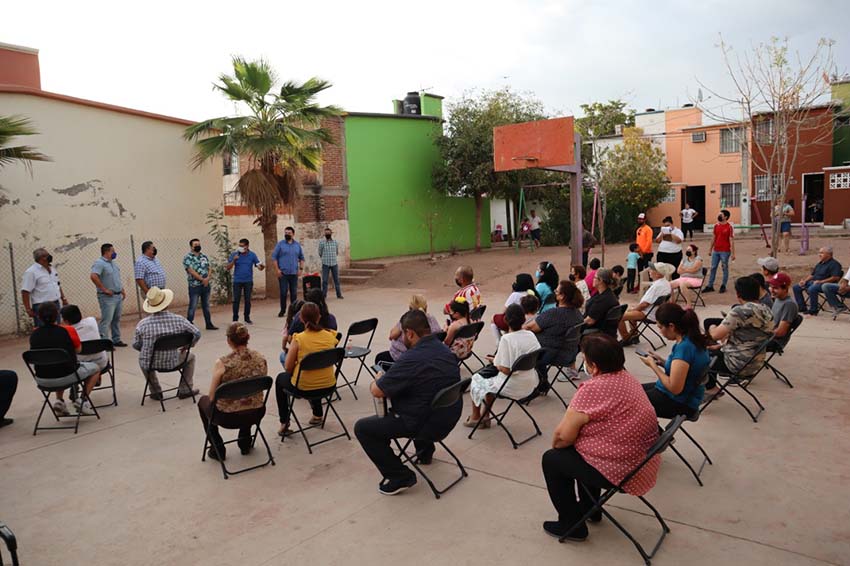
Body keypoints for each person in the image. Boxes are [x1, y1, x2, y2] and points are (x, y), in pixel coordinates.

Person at [541, 333, 660, 541]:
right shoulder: (628, 378)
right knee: (582, 448)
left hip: (620, 469)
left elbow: (562, 437)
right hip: (641, 463)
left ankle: (572, 525)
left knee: (553, 459)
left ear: (594, 366)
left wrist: (560, 446)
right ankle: (591, 509)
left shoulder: (593, 389)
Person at [355, 310, 462, 495]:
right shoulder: (445, 350)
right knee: (422, 394)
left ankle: (400, 476)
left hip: (425, 424)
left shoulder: (411, 359)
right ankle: (425, 453)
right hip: (449, 415)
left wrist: (378, 379)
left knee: (363, 428)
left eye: (403, 334)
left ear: (410, 333)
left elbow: (377, 391)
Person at [198, 322, 268, 461]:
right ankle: (245, 442)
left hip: (227, 417)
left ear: (229, 340)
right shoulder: (260, 358)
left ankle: (218, 448)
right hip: (256, 412)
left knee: (202, 402)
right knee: (248, 397)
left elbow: (212, 396)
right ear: (248, 337)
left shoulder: (223, 363)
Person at [465, 304, 540, 427]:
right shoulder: (530, 335)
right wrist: (498, 361)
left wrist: (496, 362)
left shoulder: (507, 339)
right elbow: (527, 358)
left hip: (512, 385)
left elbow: (505, 369)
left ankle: (475, 417)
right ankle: (485, 416)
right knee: (490, 379)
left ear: (505, 320)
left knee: (476, 379)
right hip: (530, 382)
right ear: (523, 319)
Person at [275, 302, 339, 436]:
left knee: (280, 379)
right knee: (315, 370)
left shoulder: (298, 339)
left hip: (304, 387)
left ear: (301, 318)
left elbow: (288, 367)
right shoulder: (331, 336)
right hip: (329, 385)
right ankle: (317, 414)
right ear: (319, 317)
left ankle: (284, 422)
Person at [704, 276, 774, 395]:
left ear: (738, 294)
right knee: (711, 350)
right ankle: (710, 387)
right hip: (755, 362)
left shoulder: (740, 311)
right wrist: (721, 347)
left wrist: (711, 327)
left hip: (738, 364)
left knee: (699, 354)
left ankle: (710, 388)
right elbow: (748, 338)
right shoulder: (766, 309)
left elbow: (715, 335)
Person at [637, 303, 710, 418]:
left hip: (679, 402)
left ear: (671, 326)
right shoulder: (692, 339)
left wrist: (652, 365)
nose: (660, 332)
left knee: (629, 402)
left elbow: (675, 388)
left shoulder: (684, 348)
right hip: (682, 395)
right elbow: (684, 369)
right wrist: (662, 361)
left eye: (660, 327)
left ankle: (649, 429)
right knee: (632, 390)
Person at [29, 301, 101, 416]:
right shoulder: (68, 330)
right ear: (57, 315)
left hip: (42, 379)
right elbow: (78, 350)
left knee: (55, 364)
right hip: (67, 376)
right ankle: (83, 400)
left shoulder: (34, 334)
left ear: (39, 317)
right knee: (96, 369)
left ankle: (59, 401)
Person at [133, 287, 201, 400]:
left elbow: (136, 344)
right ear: (167, 303)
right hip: (173, 361)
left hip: (151, 363)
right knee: (191, 357)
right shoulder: (179, 320)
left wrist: (148, 348)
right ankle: (185, 389)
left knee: (142, 359)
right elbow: (197, 333)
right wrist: (188, 345)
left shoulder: (142, 324)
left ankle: (155, 391)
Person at [524, 280, 585, 396]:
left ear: (562, 296)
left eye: (557, 291)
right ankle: (542, 383)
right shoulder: (577, 314)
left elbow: (530, 327)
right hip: (570, 354)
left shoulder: (554, 313)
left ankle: (538, 383)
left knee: (523, 345)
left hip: (550, 354)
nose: (555, 292)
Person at [376, 294, 442, 368]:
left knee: (379, 358)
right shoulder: (431, 319)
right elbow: (439, 334)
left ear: (410, 308)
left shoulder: (407, 321)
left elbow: (392, 336)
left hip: (403, 358)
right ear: (426, 307)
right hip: (427, 357)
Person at [618, 262, 674, 346]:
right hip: (656, 312)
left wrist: (634, 309)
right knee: (630, 311)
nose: (649, 271)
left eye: (652, 270)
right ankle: (634, 335)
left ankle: (626, 338)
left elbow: (644, 304)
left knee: (619, 316)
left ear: (658, 274)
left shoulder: (656, 286)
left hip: (648, 313)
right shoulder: (666, 283)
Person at [90, 243, 127, 346]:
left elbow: (116, 278)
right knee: (106, 320)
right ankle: (104, 342)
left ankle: (116, 339)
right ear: (106, 252)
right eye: (113, 251)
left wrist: (122, 290)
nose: (115, 253)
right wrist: (104, 289)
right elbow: (93, 276)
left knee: (116, 319)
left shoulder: (113, 263)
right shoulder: (99, 263)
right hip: (107, 297)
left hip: (117, 295)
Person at [21, 247, 67, 328]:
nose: (49, 256)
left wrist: (63, 299)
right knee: (43, 329)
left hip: (55, 304)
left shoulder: (52, 269)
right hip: (41, 306)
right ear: (40, 258)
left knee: (57, 327)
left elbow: (57, 284)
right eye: (46, 255)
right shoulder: (31, 272)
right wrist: (28, 309)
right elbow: (25, 291)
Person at [792, 247, 843, 316]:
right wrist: (804, 281)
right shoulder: (820, 263)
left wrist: (821, 281)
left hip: (825, 285)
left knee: (812, 288)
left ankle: (813, 310)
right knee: (796, 287)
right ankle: (802, 307)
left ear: (829, 254)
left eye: (822, 253)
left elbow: (835, 277)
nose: (819, 255)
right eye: (819, 253)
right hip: (814, 282)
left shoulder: (835, 264)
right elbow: (812, 275)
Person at [226, 238, 264, 324]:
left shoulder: (252, 255)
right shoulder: (235, 254)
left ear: (247, 246)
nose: (240, 248)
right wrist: (234, 260)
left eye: (242, 246)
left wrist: (262, 266)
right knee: (236, 300)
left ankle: (247, 318)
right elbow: (228, 268)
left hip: (248, 281)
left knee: (247, 300)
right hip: (237, 281)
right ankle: (235, 319)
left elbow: (259, 267)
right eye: (239, 246)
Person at [60, 305, 109, 371]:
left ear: (66, 321)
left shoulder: (67, 332)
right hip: (101, 362)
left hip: (82, 367)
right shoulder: (91, 320)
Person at [183, 238, 218, 331]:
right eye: (195, 245)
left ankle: (209, 323)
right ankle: (188, 325)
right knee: (193, 306)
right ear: (191, 247)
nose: (198, 246)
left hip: (205, 285)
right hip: (194, 286)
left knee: (206, 305)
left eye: (198, 244)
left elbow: (209, 268)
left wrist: (208, 278)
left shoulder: (204, 256)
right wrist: (202, 279)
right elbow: (191, 270)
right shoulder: (188, 258)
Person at [491, 274, 536, 342]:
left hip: (515, 321)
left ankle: (499, 341)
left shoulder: (515, 295)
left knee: (493, 318)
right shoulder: (532, 294)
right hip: (528, 319)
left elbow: (504, 311)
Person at [272, 226, 305, 316]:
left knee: (294, 293)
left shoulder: (297, 245)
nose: (287, 234)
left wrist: (301, 269)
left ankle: (293, 311)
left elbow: (302, 258)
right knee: (283, 292)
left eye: (289, 233)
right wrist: (277, 270)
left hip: (294, 273)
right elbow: (274, 258)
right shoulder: (280, 245)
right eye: (286, 233)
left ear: (293, 234)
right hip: (283, 273)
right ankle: (282, 310)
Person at [703, 212, 735, 294]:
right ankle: (710, 285)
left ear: (726, 217)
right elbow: (713, 237)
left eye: (721, 215)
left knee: (724, 268)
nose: (719, 216)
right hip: (716, 250)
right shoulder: (716, 226)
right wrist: (710, 249)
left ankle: (723, 285)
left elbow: (731, 240)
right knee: (713, 267)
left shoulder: (729, 227)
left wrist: (733, 253)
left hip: (725, 251)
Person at [583, 268, 619, 336]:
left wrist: (574, 324)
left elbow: (590, 321)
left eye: (595, 277)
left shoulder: (603, 299)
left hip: (596, 332)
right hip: (603, 330)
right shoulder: (606, 294)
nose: (593, 279)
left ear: (601, 280)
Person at [767, 272, 798, 342]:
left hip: (773, 339)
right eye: (770, 287)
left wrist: (761, 333)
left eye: (775, 288)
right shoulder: (778, 298)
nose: (771, 290)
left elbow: (780, 332)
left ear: (785, 289)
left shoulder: (789, 304)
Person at [319, 227, 344, 299]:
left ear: (331, 233)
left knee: (336, 280)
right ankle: (324, 295)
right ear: (324, 234)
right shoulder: (322, 243)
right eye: (326, 233)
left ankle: (339, 295)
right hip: (325, 264)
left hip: (334, 264)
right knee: (325, 281)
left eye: (328, 233)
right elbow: (320, 253)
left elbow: (336, 252)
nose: (327, 234)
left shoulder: (335, 242)